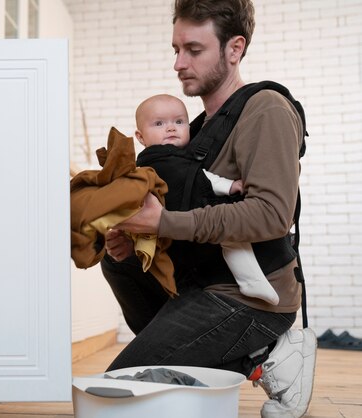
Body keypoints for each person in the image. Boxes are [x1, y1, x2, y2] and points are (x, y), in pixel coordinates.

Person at [100, 1, 317, 418]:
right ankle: (240, 354)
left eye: (193, 50)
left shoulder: (266, 108)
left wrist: (163, 221)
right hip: (202, 281)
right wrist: (132, 234)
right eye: (176, 49)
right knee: (121, 266)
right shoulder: (193, 131)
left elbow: (273, 215)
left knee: (119, 398)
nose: (178, 63)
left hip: (250, 297)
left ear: (234, 49)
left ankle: (267, 345)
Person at [133, 93, 279, 305]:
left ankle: (251, 280)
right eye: (159, 123)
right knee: (229, 234)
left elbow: (199, 176)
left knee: (231, 232)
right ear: (140, 137)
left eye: (179, 122)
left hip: (187, 218)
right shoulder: (151, 162)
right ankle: (250, 279)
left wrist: (230, 186)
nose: (171, 128)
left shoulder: (183, 156)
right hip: (178, 215)